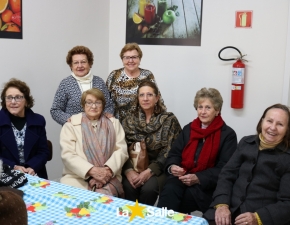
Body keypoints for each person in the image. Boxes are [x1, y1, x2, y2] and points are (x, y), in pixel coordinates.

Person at [204, 104, 290, 225]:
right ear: (262, 122)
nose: (273, 127)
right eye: (269, 121)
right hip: (227, 210)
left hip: (259, 219)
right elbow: (226, 175)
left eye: (280, 124)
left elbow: (287, 202)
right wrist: (222, 204)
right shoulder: (246, 142)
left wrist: (258, 217)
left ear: (287, 129)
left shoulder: (287, 158)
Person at [157, 87, 237, 214]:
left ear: (217, 110)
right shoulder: (189, 129)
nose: (203, 112)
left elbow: (225, 168)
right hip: (182, 177)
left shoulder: (228, 135)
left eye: (208, 108)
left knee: (183, 199)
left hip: (206, 184)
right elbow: (174, 154)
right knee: (169, 191)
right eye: (200, 107)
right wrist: (172, 167)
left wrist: (198, 177)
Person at [121, 81, 181, 205]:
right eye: (141, 95)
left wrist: (149, 171)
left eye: (149, 95)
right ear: (137, 98)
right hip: (132, 166)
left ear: (157, 98)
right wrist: (128, 171)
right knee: (128, 186)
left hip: (158, 168)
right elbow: (121, 147)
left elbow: (171, 150)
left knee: (148, 189)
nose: (145, 98)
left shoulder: (169, 120)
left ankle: (145, 220)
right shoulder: (128, 120)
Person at [60, 88, 128, 197]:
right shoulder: (71, 125)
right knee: (72, 204)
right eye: (89, 102)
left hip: (108, 176)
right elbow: (67, 155)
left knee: (105, 201)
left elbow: (122, 151)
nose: (94, 106)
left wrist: (108, 171)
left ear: (103, 105)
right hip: (77, 177)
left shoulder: (114, 123)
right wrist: (92, 171)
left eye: (98, 102)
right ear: (83, 105)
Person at [51, 45, 114, 126]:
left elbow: (109, 105)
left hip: (99, 130)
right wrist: (70, 120)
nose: (80, 66)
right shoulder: (65, 84)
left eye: (83, 62)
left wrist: (107, 114)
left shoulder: (99, 82)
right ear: (71, 65)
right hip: (75, 130)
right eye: (76, 62)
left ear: (90, 63)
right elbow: (55, 110)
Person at [0, 78, 49, 179]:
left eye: (18, 97)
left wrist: (32, 166)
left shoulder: (38, 120)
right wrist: (14, 167)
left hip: (33, 174)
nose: (13, 102)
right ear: (4, 101)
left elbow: (43, 152)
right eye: (9, 98)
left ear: (26, 101)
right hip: (5, 174)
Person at [106, 42, 166, 124]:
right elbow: (105, 99)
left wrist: (162, 120)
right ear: (122, 59)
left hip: (142, 124)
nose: (130, 61)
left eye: (134, 57)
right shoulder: (114, 75)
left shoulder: (147, 75)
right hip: (118, 124)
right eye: (127, 57)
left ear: (139, 59)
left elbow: (158, 99)